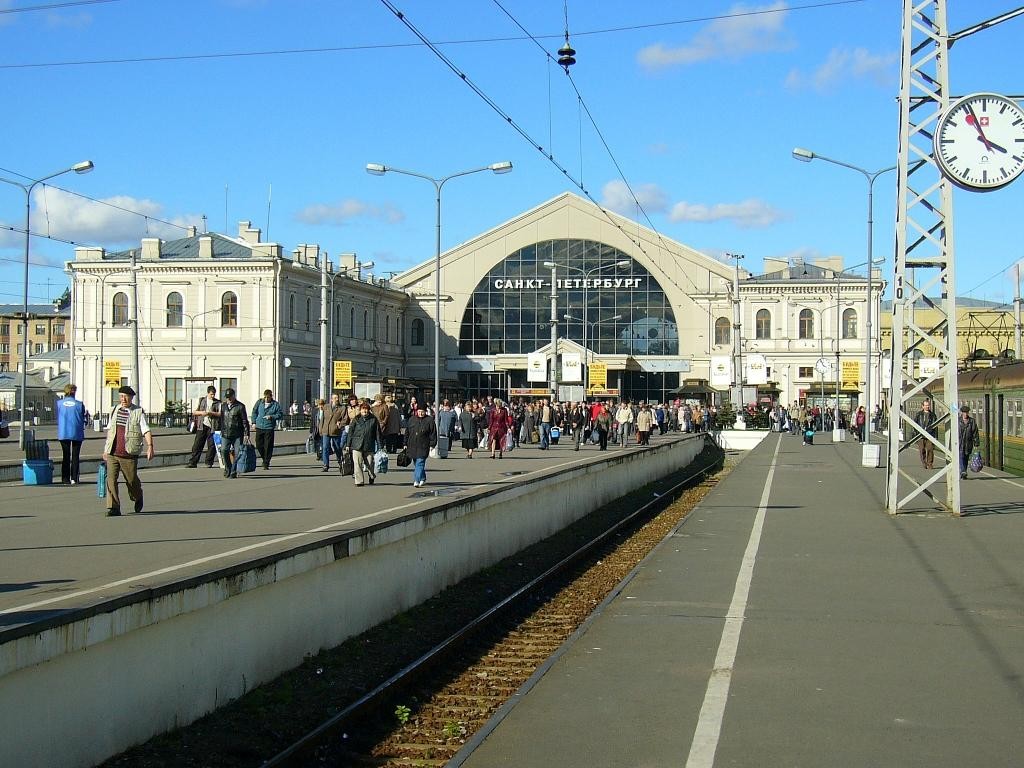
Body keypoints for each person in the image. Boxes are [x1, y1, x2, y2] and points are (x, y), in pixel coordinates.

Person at [101, 385, 155, 516]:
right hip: (113, 452)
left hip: (128, 453)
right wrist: (105, 450)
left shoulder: (138, 412)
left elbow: (146, 430)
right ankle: (114, 507)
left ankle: (137, 496)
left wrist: (150, 446)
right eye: (121, 396)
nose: (123, 399)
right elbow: (110, 431)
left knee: (131, 480)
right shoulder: (114, 410)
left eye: (126, 396)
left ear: (131, 398)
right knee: (111, 480)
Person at [57, 383, 87, 485]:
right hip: (76, 432)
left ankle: (65, 479)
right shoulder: (79, 404)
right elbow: (83, 416)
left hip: (63, 432)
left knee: (65, 456)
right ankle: (74, 478)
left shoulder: (59, 403)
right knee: (75, 456)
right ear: (74, 392)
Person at [348, 400, 380, 487]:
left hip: (369, 444)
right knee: (357, 463)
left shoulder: (373, 419)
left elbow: (377, 433)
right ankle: (359, 481)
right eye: (362, 409)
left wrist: (380, 446)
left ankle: (371, 475)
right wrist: (348, 445)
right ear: (360, 410)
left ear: (369, 410)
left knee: (370, 463)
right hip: (356, 444)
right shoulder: (356, 419)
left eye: (366, 410)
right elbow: (350, 432)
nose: (364, 411)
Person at [187, 384, 220, 468]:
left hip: (212, 426)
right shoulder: (202, 400)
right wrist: (202, 413)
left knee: (211, 445)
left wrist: (211, 413)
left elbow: (220, 414)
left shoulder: (217, 402)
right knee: (197, 444)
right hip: (201, 425)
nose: (212, 396)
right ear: (208, 393)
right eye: (211, 394)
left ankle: (209, 462)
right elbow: (194, 412)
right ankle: (193, 462)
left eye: (214, 394)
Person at [219, 388, 250, 478]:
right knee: (224, 450)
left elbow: (245, 421)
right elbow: (222, 419)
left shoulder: (240, 406)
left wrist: (246, 433)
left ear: (233, 396)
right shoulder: (223, 406)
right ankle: (228, 467)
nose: (228, 399)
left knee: (237, 452)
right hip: (226, 433)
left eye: (229, 397)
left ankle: (233, 470)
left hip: (237, 434)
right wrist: (221, 430)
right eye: (227, 397)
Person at [406, 403, 438, 487]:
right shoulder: (412, 419)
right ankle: (422, 478)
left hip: (423, 445)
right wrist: (405, 443)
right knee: (416, 463)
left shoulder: (429, 420)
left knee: (420, 463)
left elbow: (433, 433)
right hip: (412, 445)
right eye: (419, 411)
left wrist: (432, 444)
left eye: (422, 411)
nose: (420, 413)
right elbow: (407, 432)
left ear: (425, 412)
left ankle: (416, 480)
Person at [251, 389, 283, 470]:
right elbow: (254, 412)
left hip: (269, 427)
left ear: (271, 397)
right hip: (259, 426)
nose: (266, 399)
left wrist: (272, 417)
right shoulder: (259, 402)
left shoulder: (275, 404)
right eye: (265, 397)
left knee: (268, 445)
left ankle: (266, 462)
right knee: (258, 444)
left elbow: (280, 414)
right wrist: (253, 422)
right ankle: (264, 458)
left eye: (268, 397)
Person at [319, 393, 348, 472]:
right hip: (326, 430)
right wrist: (320, 429)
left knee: (337, 448)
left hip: (336, 431)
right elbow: (322, 419)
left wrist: (340, 424)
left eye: (337, 398)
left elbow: (345, 419)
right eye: (335, 398)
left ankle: (340, 461)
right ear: (331, 399)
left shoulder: (342, 408)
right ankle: (326, 465)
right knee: (325, 447)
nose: (336, 399)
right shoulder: (326, 407)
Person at [914, 399, 938, 470]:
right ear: (922, 406)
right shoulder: (919, 414)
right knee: (922, 450)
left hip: (930, 435)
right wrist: (916, 433)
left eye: (928, 405)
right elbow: (915, 424)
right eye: (926, 405)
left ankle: (930, 463)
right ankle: (924, 463)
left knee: (930, 449)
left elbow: (935, 426)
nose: (927, 407)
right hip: (920, 435)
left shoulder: (933, 415)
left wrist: (935, 436)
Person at [957, 404, 980, 479]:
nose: (965, 414)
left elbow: (975, 432)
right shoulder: (958, 421)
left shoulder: (972, 421)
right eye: (964, 412)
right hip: (959, 443)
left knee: (966, 458)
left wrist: (976, 443)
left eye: (967, 412)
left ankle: (964, 472)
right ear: (962, 413)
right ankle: (963, 471)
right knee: (961, 456)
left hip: (968, 443)